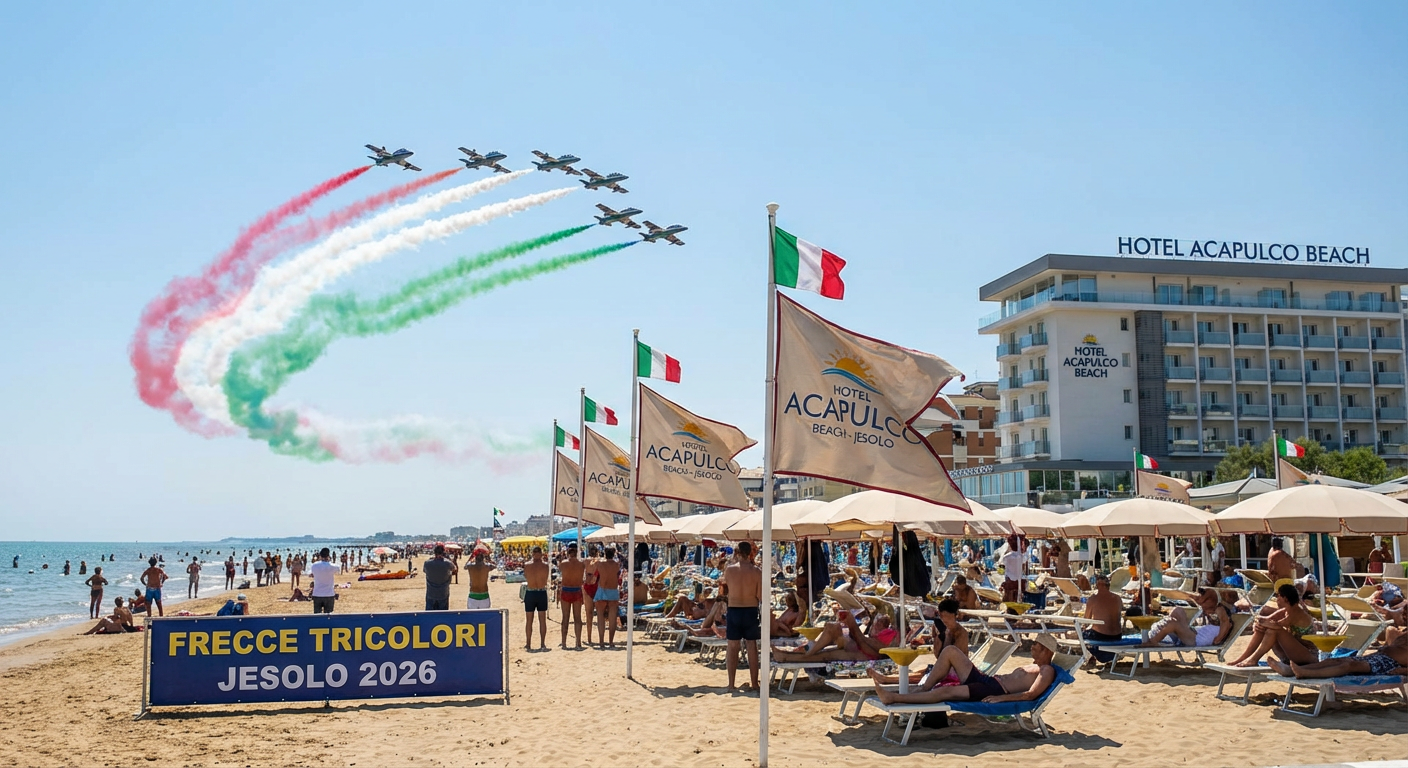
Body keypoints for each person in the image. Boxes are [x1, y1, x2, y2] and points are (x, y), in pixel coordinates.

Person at [869, 633, 1060, 706]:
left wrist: (1001, 698)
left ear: (1046, 650)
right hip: (988, 681)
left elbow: (1030, 695)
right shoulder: (1034, 665)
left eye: (1036, 644)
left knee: (945, 692)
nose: (1032, 646)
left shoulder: (1046, 671)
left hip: (995, 690)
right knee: (950, 651)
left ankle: (893, 697)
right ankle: (924, 688)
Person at [1228, 583, 1317, 667]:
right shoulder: (1286, 611)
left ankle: (1253, 659)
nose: (1276, 600)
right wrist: (1258, 623)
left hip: (1308, 657)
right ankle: (1243, 658)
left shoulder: (1296, 613)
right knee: (1263, 628)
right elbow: (1265, 620)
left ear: (1285, 599)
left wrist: (1261, 623)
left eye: (1278, 597)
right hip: (1294, 654)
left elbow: (1277, 626)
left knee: (1273, 631)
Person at [773, 610, 898, 663]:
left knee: (826, 647)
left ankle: (809, 650)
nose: (878, 623)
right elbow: (864, 640)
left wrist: (853, 626)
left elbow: (870, 647)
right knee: (825, 648)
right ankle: (788, 655)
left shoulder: (889, 634)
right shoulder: (875, 630)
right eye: (878, 620)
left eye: (882, 622)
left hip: (862, 653)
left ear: (888, 625)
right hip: (857, 648)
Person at [721, 541, 763, 691]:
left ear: (737, 553)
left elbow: (725, 588)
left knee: (732, 647)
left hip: (734, 609)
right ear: (750, 553)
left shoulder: (729, 570)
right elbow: (760, 596)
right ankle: (754, 683)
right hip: (750, 610)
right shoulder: (757, 572)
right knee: (751, 646)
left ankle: (731, 684)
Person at [1267, 634, 1408, 679]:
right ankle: (1290, 671)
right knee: (1338, 660)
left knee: (1348, 665)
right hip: (1378, 656)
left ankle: (1306, 673)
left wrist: (1403, 671)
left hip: (1390, 664)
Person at [1141, 587, 1237, 648]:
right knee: (1178, 610)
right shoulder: (1211, 609)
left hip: (1197, 639)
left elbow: (1226, 624)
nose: (1200, 602)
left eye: (1204, 600)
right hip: (1194, 634)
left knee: (1172, 623)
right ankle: (1171, 637)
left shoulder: (1219, 609)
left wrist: (1218, 639)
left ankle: (1153, 641)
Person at [1082, 574, 1125, 665]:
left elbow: (1086, 620)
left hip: (1100, 636)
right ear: (1108, 586)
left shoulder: (1093, 599)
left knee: (1081, 634)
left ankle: (1090, 657)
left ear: (1098, 586)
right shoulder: (1117, 598)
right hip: (1117, 635)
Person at [593, 547, 622, 649]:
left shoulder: (600, 564)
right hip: (613, 590)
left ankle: (601, 642)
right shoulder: (617, 565)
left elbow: (594, 576)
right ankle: (611, 642)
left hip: (602, 589)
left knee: (600, 616)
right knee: (612, 617)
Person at [558, 542, 586, 649]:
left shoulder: (563, 564)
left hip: (566, 590)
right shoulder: (581, 564)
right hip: (577, 590)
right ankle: (578, 642)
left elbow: (560, 569)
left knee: (565, 618)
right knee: (577, 618)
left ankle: (564, 643)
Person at [522, 546, 550, 650]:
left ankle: (528, 643)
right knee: (542, 620)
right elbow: (546, 578)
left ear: (532, 554)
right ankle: (542, 644)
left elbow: (526, 576)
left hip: (530, 592)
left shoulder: (527, 565)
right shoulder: (545, 566)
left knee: (529, 620)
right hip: (541, 592)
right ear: (541, 554)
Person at [422, 544, 455, 611]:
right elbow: (454, 569)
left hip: (431, 593)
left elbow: (424, 571)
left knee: (430, 616)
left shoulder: (427, 563)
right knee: (443, 616)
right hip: (443, 593)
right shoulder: (448, 563)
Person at [309, 548, 338, 614]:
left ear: (320, 556)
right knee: (328, 616)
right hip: (329, 594)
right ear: (328, 556)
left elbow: (310, 574)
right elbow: (338, 568)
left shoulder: (315, 565)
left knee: (317, 616)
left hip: (317, 593)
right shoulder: (332, 566)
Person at [1000, 535, 1026, 603]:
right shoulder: (1022, 556)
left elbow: (1003, 565)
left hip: (1009, 582)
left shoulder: (1006, 557)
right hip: (1019, 582)